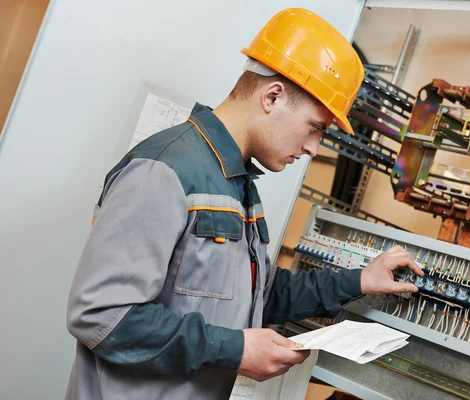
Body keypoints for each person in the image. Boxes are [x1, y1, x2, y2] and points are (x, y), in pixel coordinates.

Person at [65, 7, 423, 400]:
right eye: (316, 127)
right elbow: (102, 315)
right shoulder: (164, 171)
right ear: (273, 96)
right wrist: (235, 349)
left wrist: (359, 281)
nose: (312, 148)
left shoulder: (238, 185)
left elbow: (256, 296)